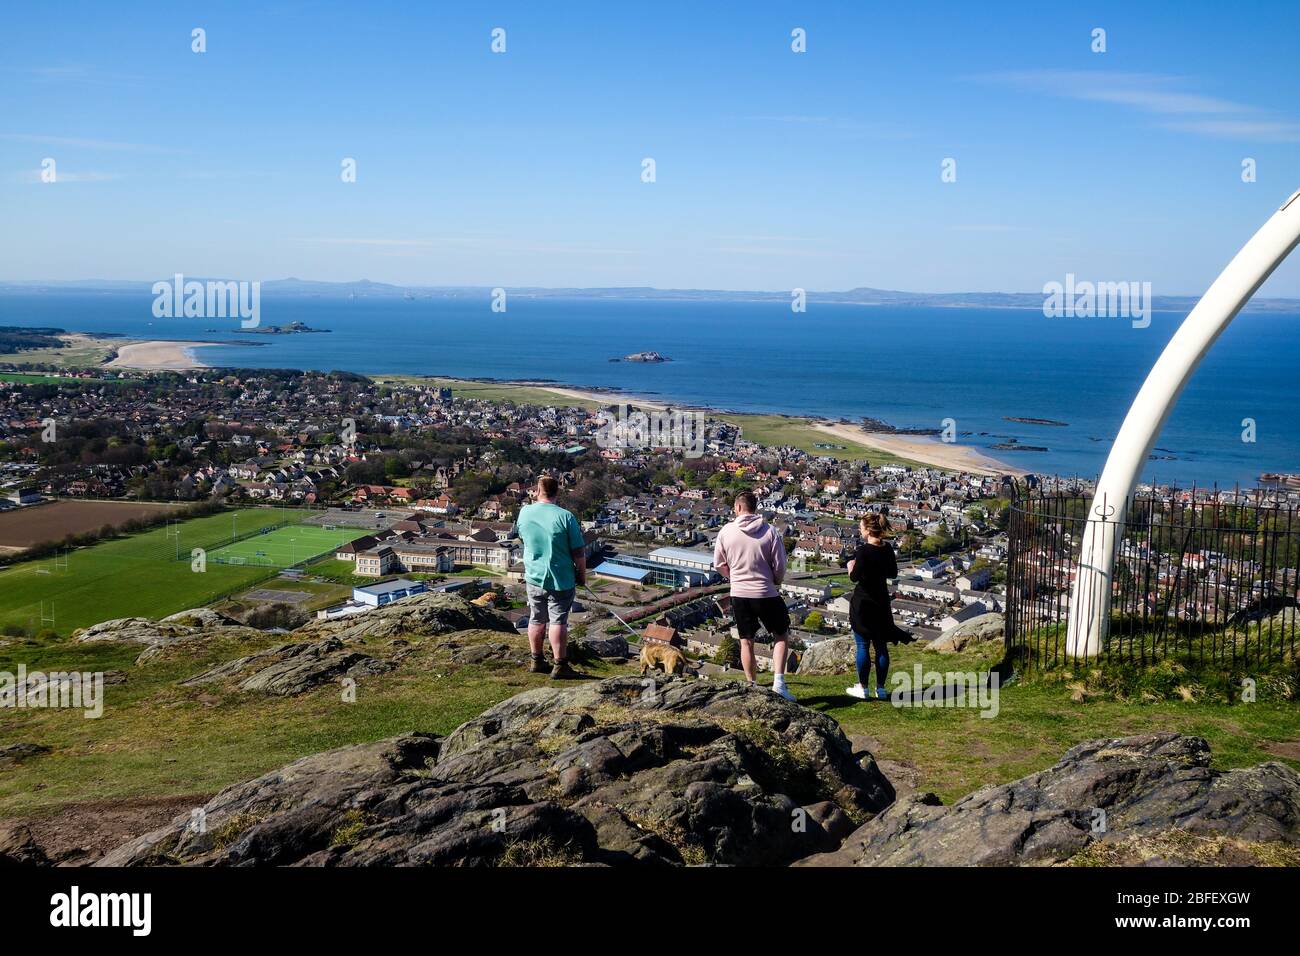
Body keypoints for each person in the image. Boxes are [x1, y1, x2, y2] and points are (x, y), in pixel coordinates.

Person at [713, 491, 795, 701]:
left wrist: (734, 578)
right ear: (755, 508)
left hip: (739, 594)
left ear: (738, 508)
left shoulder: (726, 532)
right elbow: (781, 565)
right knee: (780, 634)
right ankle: (779, 683)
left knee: (746, 641)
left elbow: (719, 564)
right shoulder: (770, 531)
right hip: (766, 592)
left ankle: (752, 685)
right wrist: (775, 581)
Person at [515, 475, 587, 679]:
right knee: (558, 621)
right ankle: (560, 665)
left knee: (536, 618)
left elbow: (523, 536)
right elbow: (579, 552)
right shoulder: (565, 517)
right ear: (558, 492)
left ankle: (536, 660)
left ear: (537, 491)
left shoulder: (525, 512)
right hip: (560, 578)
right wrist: (581, 576)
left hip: (534, 576)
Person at [844, 512, 910, 700]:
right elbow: (893, 573)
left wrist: (850, 566)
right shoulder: (887, 549)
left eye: (861, 527)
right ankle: (880, 688)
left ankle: (863, 688)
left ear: (867, 529)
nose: (859, 529)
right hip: (881, 601)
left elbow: (854, 577)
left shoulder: (863, 551)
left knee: (863, 645)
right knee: (881, 646)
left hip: (863, 602)